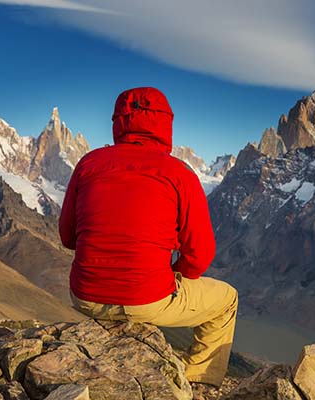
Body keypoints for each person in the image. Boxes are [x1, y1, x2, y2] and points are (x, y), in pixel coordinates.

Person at [59, 87, 238, 388]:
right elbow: (201, 255)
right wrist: (172, 275)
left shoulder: (88, 164)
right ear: (165, 124)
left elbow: (67, 237)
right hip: (147, 298)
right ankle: (199, 383)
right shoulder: (180, 174)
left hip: (85, 295)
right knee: (227, 300)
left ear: (118, 122)